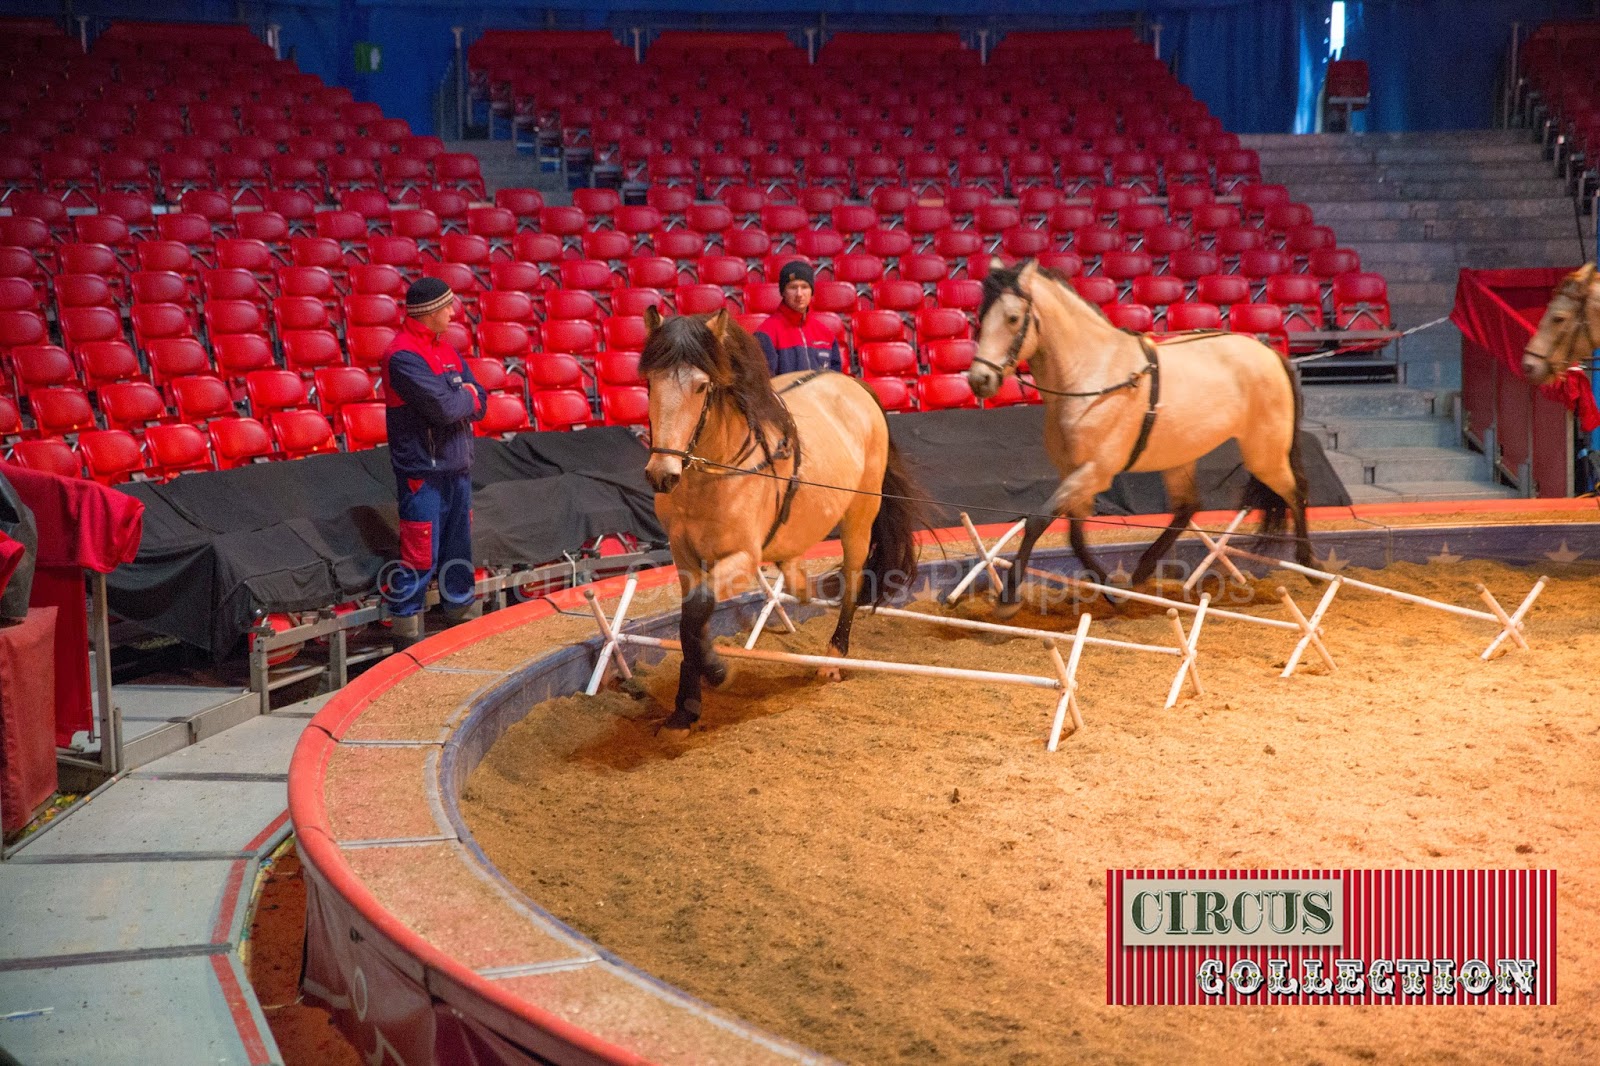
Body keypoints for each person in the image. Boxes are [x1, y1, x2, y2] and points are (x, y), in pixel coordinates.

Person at [381, 277, 488, 648]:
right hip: (422, 475)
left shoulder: (447, 350)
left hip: (456, 469)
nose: (453, 311)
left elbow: (482, 399)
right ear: (428, 312)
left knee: (459, 552)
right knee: (418, 557)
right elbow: (445, 408)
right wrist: (465, 396)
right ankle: (406, 643)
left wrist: (466, 397)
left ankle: (463, 631)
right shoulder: (402, 356)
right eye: (447, 306)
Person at [754, 260, 842, 376]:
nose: (799, 294)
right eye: (793, 287)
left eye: (804, 287)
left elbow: (836, 379)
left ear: (811, 291)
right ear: (783, 292)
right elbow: (764, 385)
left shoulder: (826, 334)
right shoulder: (766, 334)